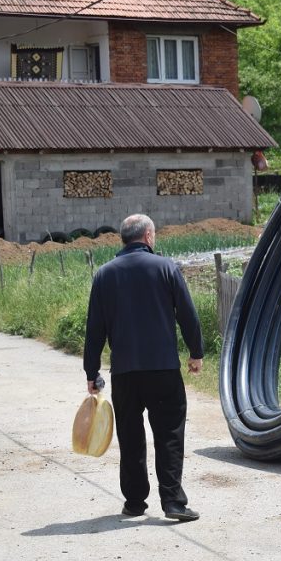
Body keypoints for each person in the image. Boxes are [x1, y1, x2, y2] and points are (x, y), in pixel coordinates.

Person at [83, 214, 204, 521]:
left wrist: (91, 372)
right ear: (149, 236)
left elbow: (94, 329)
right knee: (169, 434)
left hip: (125, 373)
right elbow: (187, 314)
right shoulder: (166, 268)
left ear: (124, 238)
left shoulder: (104, 274)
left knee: (130, 437)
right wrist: (196, 352)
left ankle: (135, 502)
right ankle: (173, 502)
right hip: (163, 369)